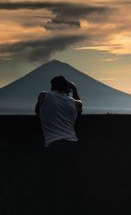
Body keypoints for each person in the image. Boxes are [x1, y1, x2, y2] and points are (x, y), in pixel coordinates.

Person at [34, 76, 82, 212]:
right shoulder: (75, 103)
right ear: (67, 89)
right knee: (72, 184)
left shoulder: (44, 96)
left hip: (53, 145)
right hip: (73, 145)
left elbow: (37, 111)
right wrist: (74, 89)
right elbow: (80, 106)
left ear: (52, 86)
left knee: (53, 184)